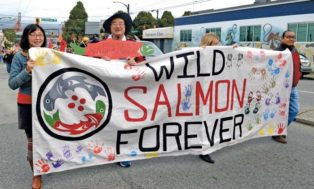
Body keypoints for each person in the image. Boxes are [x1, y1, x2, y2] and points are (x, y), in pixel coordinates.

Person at [102, 12, 144, 167]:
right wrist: (101, 60)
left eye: (121, 23)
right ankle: (106, 150)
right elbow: (86, 61)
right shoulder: (100, 45)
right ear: (110, 28)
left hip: (128, 91)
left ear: (125, 27)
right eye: (114, 23)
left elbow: (146, 65)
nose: (118, 26)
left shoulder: (134, 44)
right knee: (108, 120)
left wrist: (136, 61)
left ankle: (124, 153)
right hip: (106, 90)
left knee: (126, 122)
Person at [8, 24, 47, 189]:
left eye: (40, 35)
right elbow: (12, 83)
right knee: (33, 141)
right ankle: (36, 174)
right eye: (33, 35)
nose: (37, 38)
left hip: (47, 103)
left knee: (49, 138)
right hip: (27, 103)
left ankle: (48, 164)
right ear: (26, 37)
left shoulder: (50, 55)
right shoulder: (19, 57)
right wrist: (27, 70)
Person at [272, 30, 301, 144]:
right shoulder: (278, 52)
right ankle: (278, 133)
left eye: (293, 37)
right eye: (288, 37)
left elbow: (297, 65)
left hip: (292, 87)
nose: (291, 39)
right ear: (282, 38)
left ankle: (279, 130)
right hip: (281, 88)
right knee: (279, 111)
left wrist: (299, 75)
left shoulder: (295, 50)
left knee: (294, 110)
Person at [198, 33, 220, 164]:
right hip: (201, 94)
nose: (218, 46)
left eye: (218, 44)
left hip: (213, 93)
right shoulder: (199, 54)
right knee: (205, 122)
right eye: (215, 44)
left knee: (209, 122)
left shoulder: (217, 56)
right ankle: (204, 150)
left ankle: (205, 148)